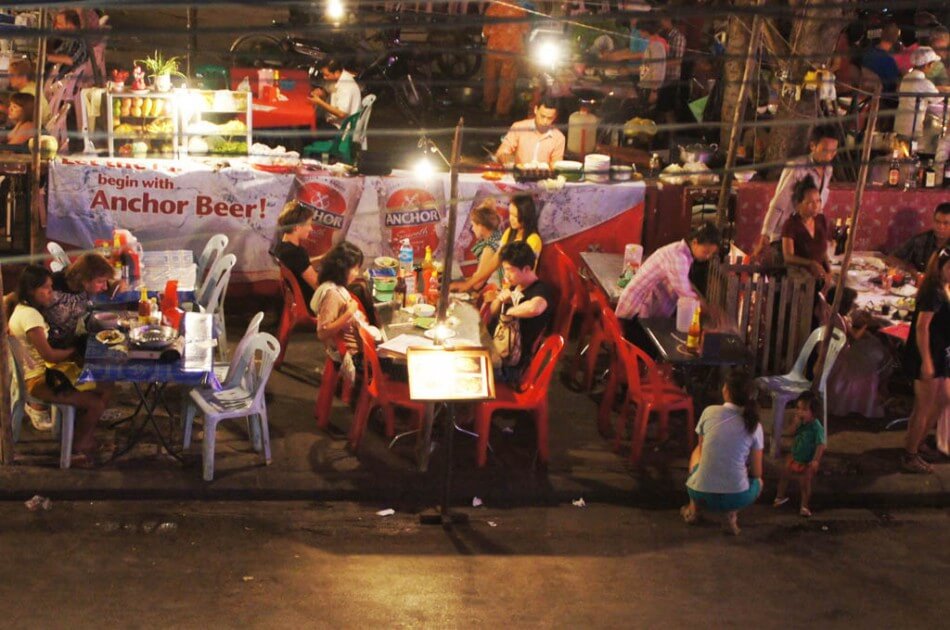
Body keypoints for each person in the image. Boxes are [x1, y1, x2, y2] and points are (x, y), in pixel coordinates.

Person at [7, 265, 109, 467]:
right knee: (97, 401)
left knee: (105, 385)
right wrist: (74, 351)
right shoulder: (30, 317)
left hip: (45, 371)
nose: (51, 293)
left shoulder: (25, 309)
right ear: (30, 290)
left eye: (51, 287)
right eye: (45, 288)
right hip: (40, 380)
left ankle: (79, 432)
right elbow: (50, 355)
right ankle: (78, 445)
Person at [681, 369, 764, 535]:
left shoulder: (710, 412)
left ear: (725, 390)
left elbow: (704, 451)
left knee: (698, 451)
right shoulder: (755, 425)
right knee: (759, 482)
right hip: (737, 498)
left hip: (700, 493)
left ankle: (693, 508)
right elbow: (757, 473)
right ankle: (732, 515)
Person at [615, 222, 721, 353]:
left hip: (638, 311)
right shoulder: (679, 258)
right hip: (634, 317)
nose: (708, 257)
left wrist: (702, 302)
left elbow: (686, 284)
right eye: (706, 252)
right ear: (694, 242)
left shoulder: (679, 250)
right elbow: (686, 294)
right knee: (663, 352)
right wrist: (712, 313)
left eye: (711, 254)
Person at [752, 125, 838, 263]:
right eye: (825, 150)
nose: (829, 156)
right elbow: (779, 202)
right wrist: (766, 234)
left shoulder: (828, 169)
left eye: (833, 152)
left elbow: (819, 204)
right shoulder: (798, 168)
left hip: (807, 234)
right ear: (812, 146)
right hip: (786, 234)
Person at [900, 248, 950, 474]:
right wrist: (927, 361)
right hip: (926, 353)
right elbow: (922, 328)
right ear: (940, 267)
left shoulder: (945, 288)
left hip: (942, 352)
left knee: (942, 400)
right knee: (923, 406)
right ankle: (909, 455)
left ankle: (918, 444)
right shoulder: (933, 292)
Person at [450, 193, 543, 294]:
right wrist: (467, 284)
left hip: (520, 293)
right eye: (510, 214)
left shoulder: (533, 240)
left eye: (516, 216)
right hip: (504, 289)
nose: (511, 219)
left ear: (526, 216)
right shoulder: (508, 233)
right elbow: (494, 261)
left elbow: (527, 275)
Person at [488, 241, 553, 382]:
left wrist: (509, 310)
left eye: (509, 270)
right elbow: (493, 311)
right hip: (493, 349)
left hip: (509, 365)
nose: (506, 275)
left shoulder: (541, 290)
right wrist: (500, 299)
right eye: (504, 269)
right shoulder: (514, 286)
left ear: (526, 269)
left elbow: (535, 308)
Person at [310, 242, 368, 374]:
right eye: (355, 268)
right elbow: (322, 332)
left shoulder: (333, 287)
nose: (357, 273)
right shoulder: (332, 295)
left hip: (353, 350)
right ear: (343, 269)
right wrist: (349, 312)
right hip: (354, 357)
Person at [43, 252, 118, 350]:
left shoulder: (86, 284)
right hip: (54, 350)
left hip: (73, 342)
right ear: (84, 279)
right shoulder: (52, 285)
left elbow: (110, 283)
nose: (105, 287)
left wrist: (118, 284)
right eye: (100, 282)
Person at [773, 391, 826, 517]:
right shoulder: (800, 422)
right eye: (798, 408)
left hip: (807, 461)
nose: (799, 412)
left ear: (813, 412)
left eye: (804, 409)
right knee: (784, 476)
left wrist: (816, 460)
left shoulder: (816, 427)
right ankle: (779, 497)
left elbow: (821, 445)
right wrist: (795, 424)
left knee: (805, 484)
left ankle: (804, 506)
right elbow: (789, 432)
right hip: (794, 455)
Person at [481, 0, 529, 118]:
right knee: (507, 81)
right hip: (511, 51)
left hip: (494, 49)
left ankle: (488, 104)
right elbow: (525, 30)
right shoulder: (519, 10)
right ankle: (501, 110)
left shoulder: (493, 8)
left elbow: (485, 31)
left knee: (490, 78)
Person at [781, 177, 832, 286]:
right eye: (810, 202)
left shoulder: (821, 219)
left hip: (819, 273)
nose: (816, 206)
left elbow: (823, 252)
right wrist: (810, 263)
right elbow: (788, 256)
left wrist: (828, 271)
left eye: (818, 201)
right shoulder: (790, 225)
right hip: (800, 275)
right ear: (798, 204)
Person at [893, 47, 945, 150]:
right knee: (912, 152)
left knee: (898, 153)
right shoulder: (924, 83)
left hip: (899, 125)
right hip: (913, 129)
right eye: (932, 64)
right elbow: (938, 99)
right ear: (927, 65)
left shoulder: (906, 78)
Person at [274, 201, 324, 308]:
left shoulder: (281, 247)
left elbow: (301, 265)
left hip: (296, 301)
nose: (311, 229)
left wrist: (324, 258)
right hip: (310, 303)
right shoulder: (297, 253)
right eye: (309, 224)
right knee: (357, 290)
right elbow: (319, 287)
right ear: (297, 227)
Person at [494, 97, 566, 167]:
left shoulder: (558, 138)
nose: (545, 121)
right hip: (518, 174)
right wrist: (507, 158)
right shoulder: (519, 127)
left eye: (549, 118)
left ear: (555, 116)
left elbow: (556, 165)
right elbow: (502, 152)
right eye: (542, 116)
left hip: (543, 177)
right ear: (535, 110)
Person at [450, 199, 503, 294]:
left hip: (493, 292)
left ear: (481, 226)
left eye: (473, 225)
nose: (472, 229)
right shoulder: (498, 237)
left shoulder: (489, 248)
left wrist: (457, 285)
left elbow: (478, 283)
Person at [892, 202, 950, 273]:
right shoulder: (921, 240)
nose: (941, 227)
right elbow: (893, 258)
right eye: (937, 222)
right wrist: (910, 270)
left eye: (946, 223)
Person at [308, 58, 362, 129]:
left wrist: (319, 102)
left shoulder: (346, 86)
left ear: (336, 73)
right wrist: (321, 93)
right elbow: (331, 95)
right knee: (308, 122)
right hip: (334, 122)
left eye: (327, 75)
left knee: (306, 128)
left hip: (341, 127)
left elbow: (341, 113)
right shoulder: (339, 78)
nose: (324, 77)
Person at [6, 59, 51, 125]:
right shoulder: (32, 86)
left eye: (12, 75)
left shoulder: (27, 94)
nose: (9, 78)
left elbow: (19, 118)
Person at [861, 22, 902, 93]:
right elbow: (892, 85)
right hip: (882, 97)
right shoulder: (888, 61)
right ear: (895, 39)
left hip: (864, 93)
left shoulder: (868, 53)